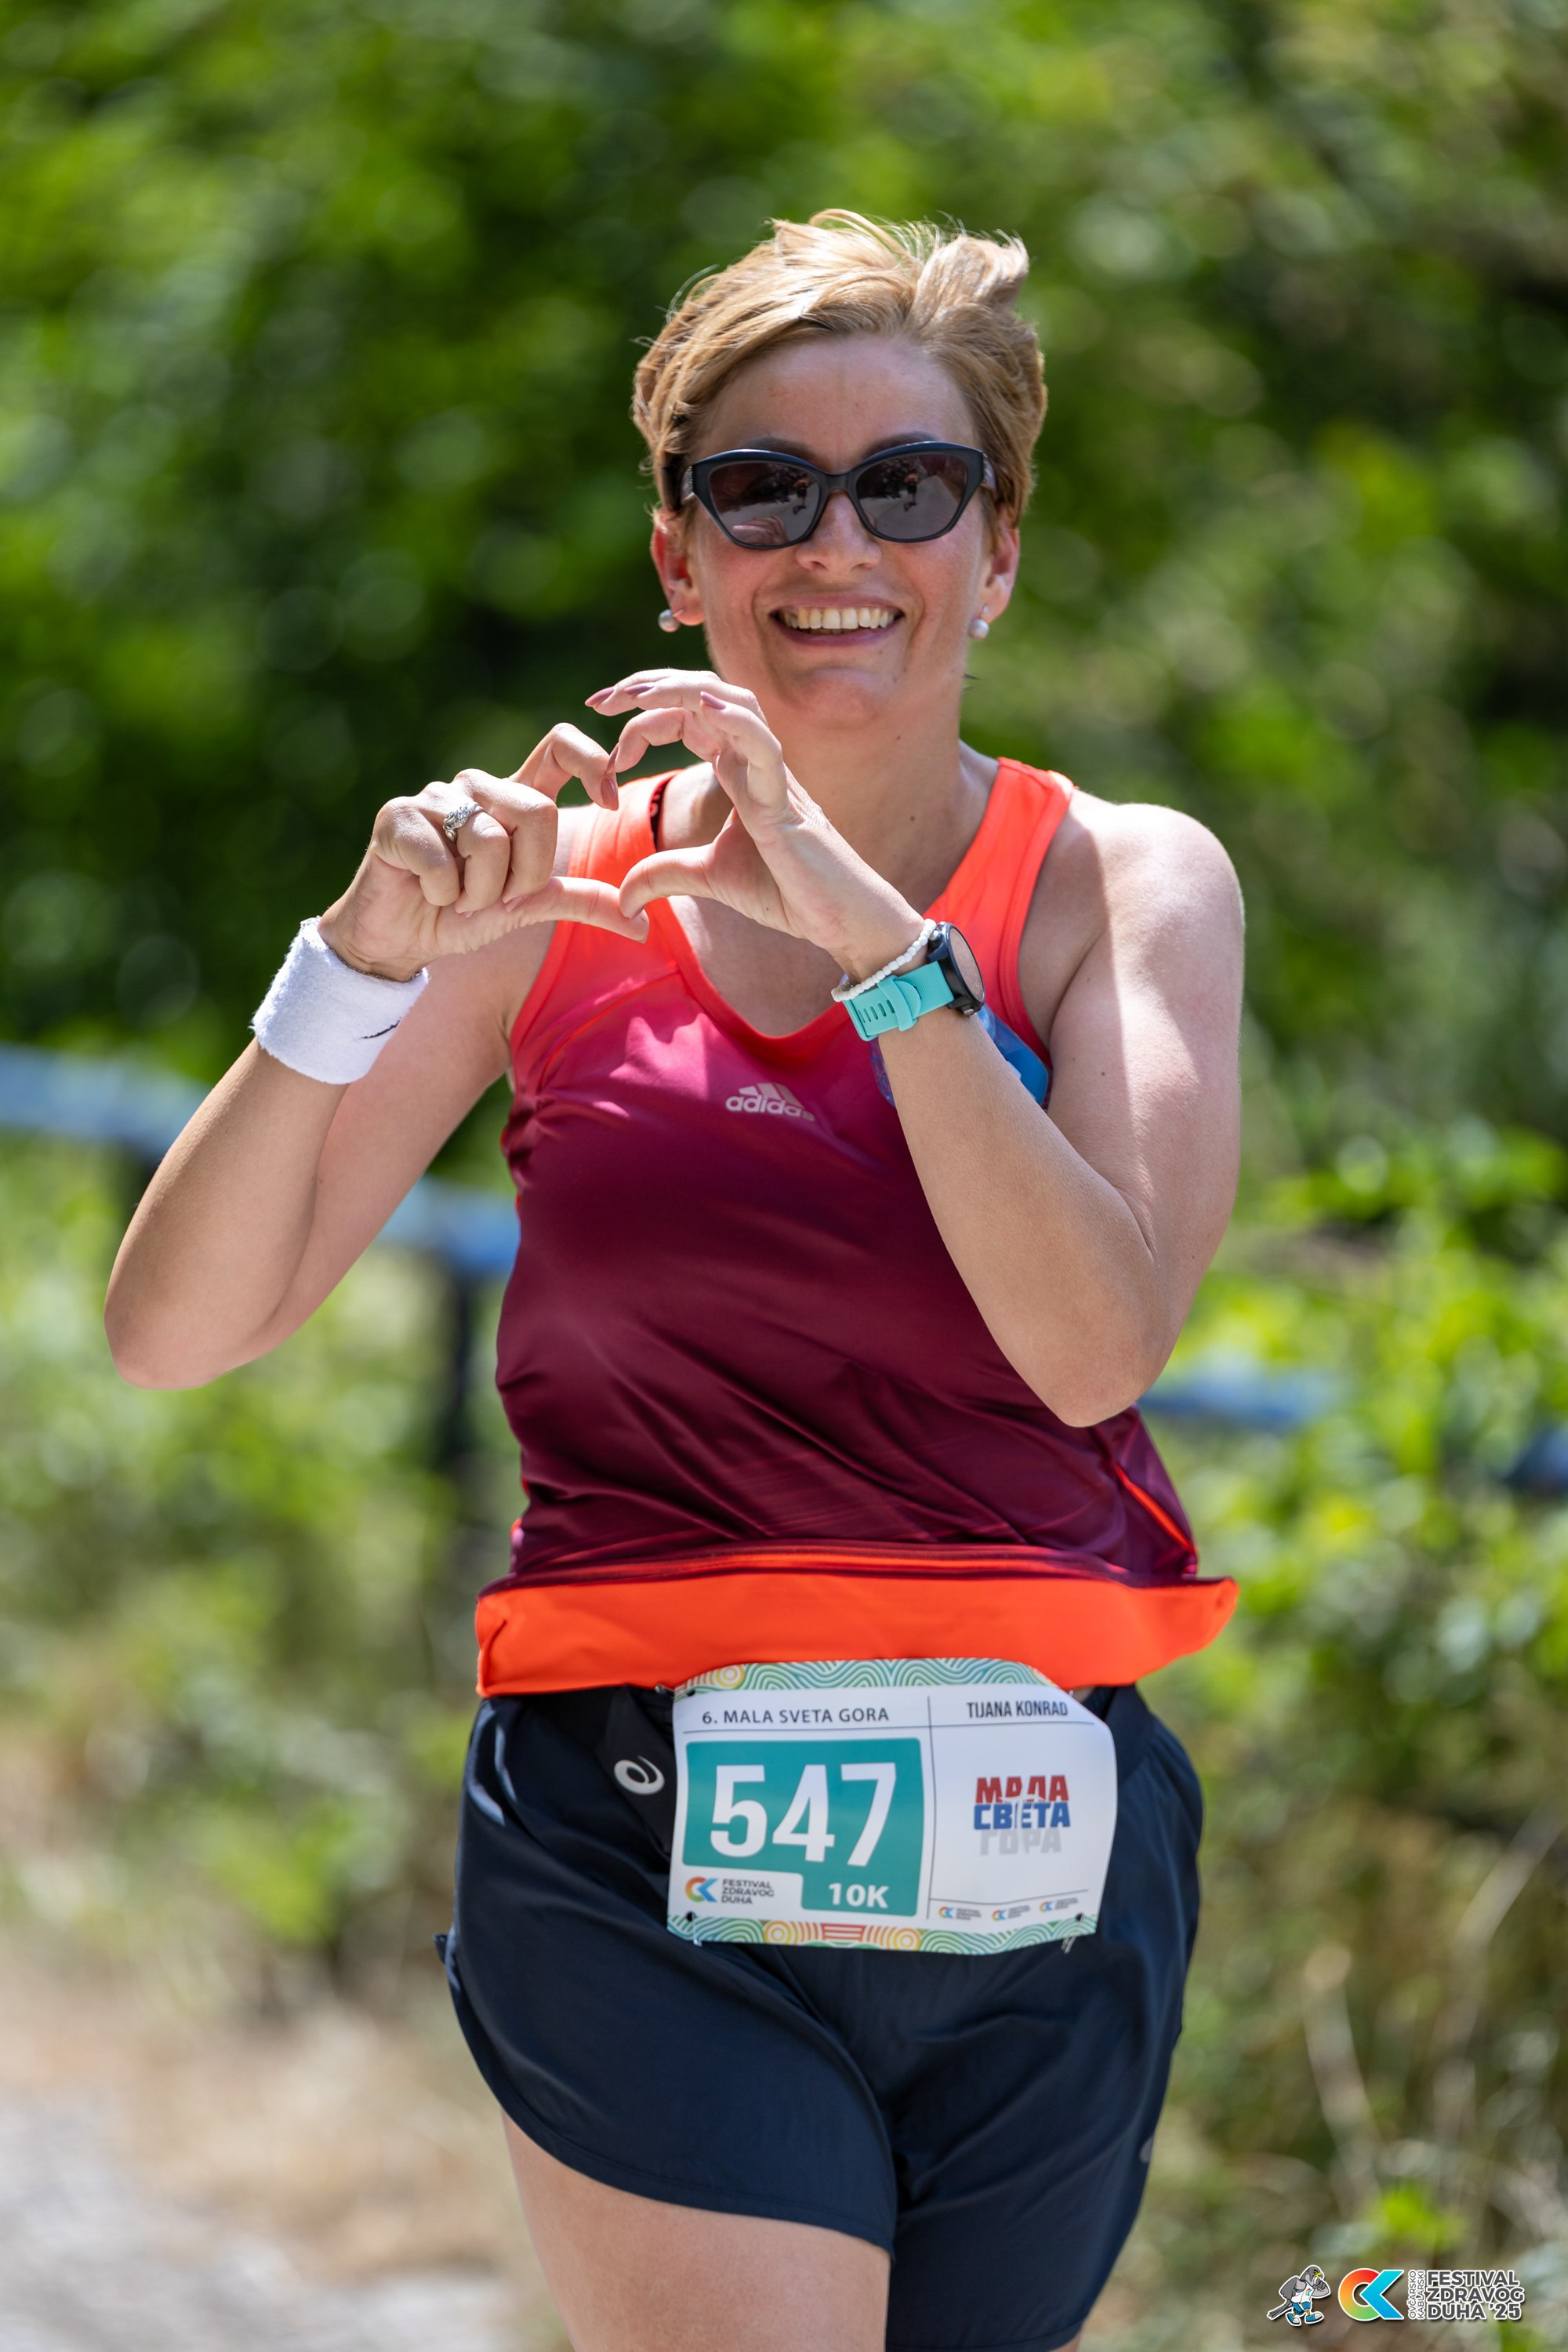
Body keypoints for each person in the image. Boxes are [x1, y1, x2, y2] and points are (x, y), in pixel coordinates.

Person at [107, 212, 1243, 2352]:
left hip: (1043, 1826)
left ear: (996, 551)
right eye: (763, 486)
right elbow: (176, 1328)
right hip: (634, 1826)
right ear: (680, 555)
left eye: (910, 484)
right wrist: (347, 973)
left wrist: (874, 949)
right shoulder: (558, 899)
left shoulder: (1123, 883)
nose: (840, 541)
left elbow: (1095, 1345)